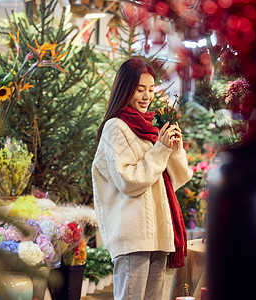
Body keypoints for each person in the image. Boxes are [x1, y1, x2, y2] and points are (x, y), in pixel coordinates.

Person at [92, 58, 193, 300]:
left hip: (158, 231)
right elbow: (128, 182)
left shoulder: (151, 126)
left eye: (150, 89)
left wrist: (173, 146)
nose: (147, 96)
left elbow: (177, 177)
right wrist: (160, 149)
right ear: (125, 89)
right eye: (140, 89)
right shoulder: (115, 128)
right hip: (133, 235)